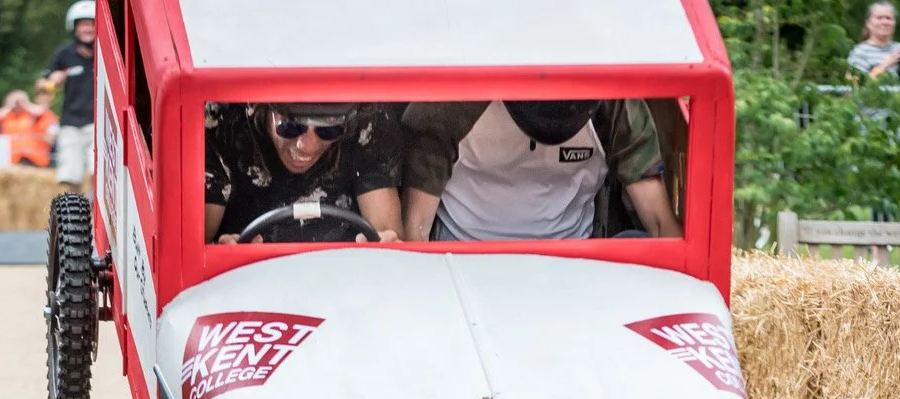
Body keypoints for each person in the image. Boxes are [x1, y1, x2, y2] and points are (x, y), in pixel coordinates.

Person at [400, 100, 681, 242]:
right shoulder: (448, 105)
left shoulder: (615, 103)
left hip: (574, 257)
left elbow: (660, 223)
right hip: (465, 253)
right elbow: (416, 229)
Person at [204, 102, 403, 244]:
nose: (307, 147)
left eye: (328, 130)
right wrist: (222, 253)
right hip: (251, 278)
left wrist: (386, 246)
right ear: (262, 108)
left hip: (343, 276)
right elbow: (196, 248)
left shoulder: (368, 121)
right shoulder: (220, 126)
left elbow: (385, 235)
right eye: (291, 127)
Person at [39, 1, 96, 191]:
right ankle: (77, 208)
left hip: (97, 124)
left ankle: (95, 204)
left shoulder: (106, 53)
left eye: (92, 24)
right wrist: (52, 82)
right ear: (74, 27)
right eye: (83, 24)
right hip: (70, 124)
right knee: (71, 175)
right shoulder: (64, 54)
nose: (88, 29)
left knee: (98, 171)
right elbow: (42, 87)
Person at [846, 2, 900, 86]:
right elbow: (854, 87)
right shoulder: (860, 52)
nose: (885, 22)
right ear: (868, 23)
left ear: (895, 22)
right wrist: (884, 66)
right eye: (879, 18)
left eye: (888, 18)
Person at [0, 89, 58, 168]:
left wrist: (26, 104)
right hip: (10, 159)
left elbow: (42, 112)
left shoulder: (32, 115)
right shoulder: (7, 116)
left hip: (33, 159)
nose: (17, 104)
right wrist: (8, 106)